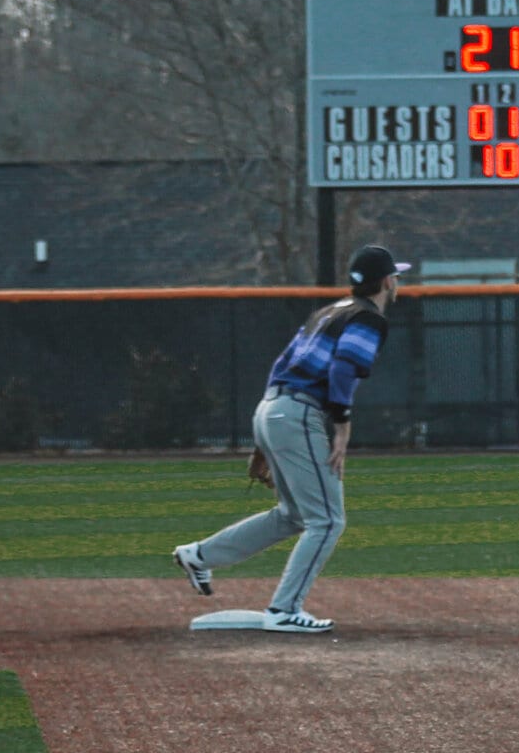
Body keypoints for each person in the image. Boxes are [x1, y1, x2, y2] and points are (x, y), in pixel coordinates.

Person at [172, 243, 405, 632]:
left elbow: (282, 364)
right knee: (327, 521)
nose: (398, 281)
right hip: (297, 413)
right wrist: (343, 428)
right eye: (396, 275)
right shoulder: (369, 318)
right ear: (385, 281)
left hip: (273, 407)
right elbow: (344, 369)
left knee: (295, 515)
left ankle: (200, 555)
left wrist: (263, 437)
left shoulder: (328, 311)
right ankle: (284, 610)